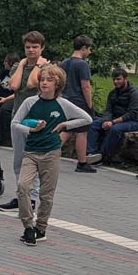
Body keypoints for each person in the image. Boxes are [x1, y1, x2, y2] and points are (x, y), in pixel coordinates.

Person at [12, 65, 92, 245]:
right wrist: (31, 128)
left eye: (49, 80)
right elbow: (15, 123)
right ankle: (28, 226)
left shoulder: (63, 104)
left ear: (58, 84)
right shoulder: (30, 102)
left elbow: (87, 119)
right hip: (31, 152)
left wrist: (65, 125)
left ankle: (41, 227)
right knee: (23, 186)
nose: (44, 83)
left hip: (51, 152)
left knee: (47, 195)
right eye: (42, 80)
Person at [0, 31, 46, 210]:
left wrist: (38, 65)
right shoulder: (19, 65)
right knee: (18, 160)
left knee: (33, 160)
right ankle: (20, 196)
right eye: (28, 47)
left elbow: (33, 83)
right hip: (18, 116)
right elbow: (15, 85)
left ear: (41, 48)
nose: (31, 50)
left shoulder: (46, 67)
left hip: (37, 118)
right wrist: (23, 63)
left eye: (35, 47)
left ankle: (31, 199)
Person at [86, 68, 138, 166]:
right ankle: (92, 152)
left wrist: (113, 122)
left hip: (131, 121)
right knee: (93, 123)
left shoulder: (135, 93)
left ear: (126, 79)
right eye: (114, 79)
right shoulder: (113, 93)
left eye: (118, 79)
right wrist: (106, 120)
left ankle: (102, 156)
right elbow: (108, 110)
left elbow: (132, 113)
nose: (116, 82)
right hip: (114, 119)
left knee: (114, 129)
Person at [56, 35, 96, 173]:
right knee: (82, 131)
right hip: (79, 100)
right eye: (89, 49)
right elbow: (85, 86)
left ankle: (50, 152)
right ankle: (82, 161)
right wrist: (89, 105)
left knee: (67, 129)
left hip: (65, 99)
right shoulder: (82, 64)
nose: (89, 52)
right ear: (84, 48)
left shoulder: (65, 63)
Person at [0, 52, 20, 145]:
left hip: (11, 98)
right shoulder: (3, 73)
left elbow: (18, 92)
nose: (4, 63)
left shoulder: (18, 75)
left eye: (6, 61)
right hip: (0, 96)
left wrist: (5, 99)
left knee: (4, 110)